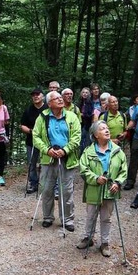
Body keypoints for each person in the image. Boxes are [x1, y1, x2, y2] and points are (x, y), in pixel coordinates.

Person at [32, 90, 82, 232]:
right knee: (47, 189)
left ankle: (67, 219)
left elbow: (77, 137)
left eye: (61, 97)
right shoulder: (42, 117)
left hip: (67, 159)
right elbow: (36, 137)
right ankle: (47, 217)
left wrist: (65, 150)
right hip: (48, 159)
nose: (60, 100)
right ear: (49, 103)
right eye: (57, 98)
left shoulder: (72, 117)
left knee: (66, 191)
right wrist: (47, 150)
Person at [79, 121, 127, 257]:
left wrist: (118, 183)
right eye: (102, 129)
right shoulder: (88, 152)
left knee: (106, 218)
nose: (106, 130)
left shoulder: (118, 151)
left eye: (107, 128)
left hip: (110, 190)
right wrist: (95, 178)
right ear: (95, 135)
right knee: (90, 216)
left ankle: (105, 243)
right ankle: (88, 238)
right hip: (94, 190)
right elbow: (83, 170)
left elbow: (124, 170)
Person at [20, 88, 47, 194]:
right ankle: (33, 183)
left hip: (46, 141)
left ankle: (47, 183)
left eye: (37, 94)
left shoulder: (48, 109)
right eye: (33, 95)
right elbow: (22, 125)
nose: (35, 96)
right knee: (32, 162)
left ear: (42, 96)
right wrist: (32, 132)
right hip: (31, 141)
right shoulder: (28, 110)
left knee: (46, 163)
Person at [78, 87, 95, 151]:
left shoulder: (90, 102)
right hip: (80, 123)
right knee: (80, 140)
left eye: (86, 92)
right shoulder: (80, 102)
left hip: (87, 124)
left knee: (86, 140)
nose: (85, 94)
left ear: (89, 94)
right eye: (83, 92)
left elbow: (90, 114)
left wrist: (82, 114)